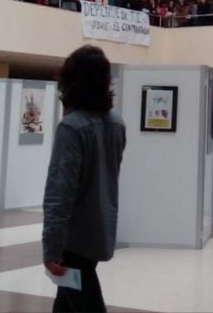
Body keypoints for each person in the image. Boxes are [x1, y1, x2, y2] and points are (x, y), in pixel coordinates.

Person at [43, 46, 126, 313]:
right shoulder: (116, 123)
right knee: (66, 302)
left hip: (73, 238)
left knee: (85, 302)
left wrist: (52, 247)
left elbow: (61, 192)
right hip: (99, 229)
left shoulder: (72, 128)